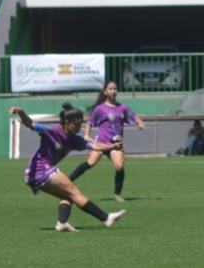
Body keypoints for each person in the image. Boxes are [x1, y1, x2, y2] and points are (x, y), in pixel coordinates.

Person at [10, 103, 126, 232]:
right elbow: (30, 123)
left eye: (80, 125)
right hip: (39, 170)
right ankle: (106, 218)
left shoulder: (74, 139)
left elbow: (95, 146)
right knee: (74, 191)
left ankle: (62, 223)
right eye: (75, 125)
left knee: (68, 196)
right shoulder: (52, 131)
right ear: (66, 122)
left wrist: (112, 147)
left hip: (39, 173)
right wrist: (21, 111)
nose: (78, 128)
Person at [67, 81, 144, 201]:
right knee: (90, 163)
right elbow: (89, 123)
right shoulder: (100, 109)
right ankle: (67, 182)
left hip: (116, 144)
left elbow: (135, 117)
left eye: (115, 89)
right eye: (111, 89)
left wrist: (140, 123)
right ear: (105, 92)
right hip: (101, 143)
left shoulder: (122, 108)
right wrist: (86, 135)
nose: (113, 91)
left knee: (119, 167)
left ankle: (117, 195)